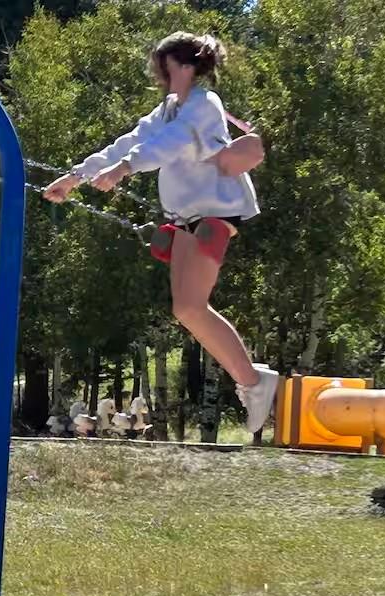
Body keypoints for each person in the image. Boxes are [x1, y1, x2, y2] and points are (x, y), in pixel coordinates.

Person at [43, 31, 279, 434]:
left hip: (215, 214)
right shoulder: (169, 108)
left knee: (191, 306)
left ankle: (254, 382)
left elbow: (170, 144)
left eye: (166, 69)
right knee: (185, 308)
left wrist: (124, 171)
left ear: (187, 66)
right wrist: (74, 178)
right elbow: (131, 141)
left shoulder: (204, 104)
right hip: (186, 217)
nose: (162, 77)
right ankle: (252, 377)